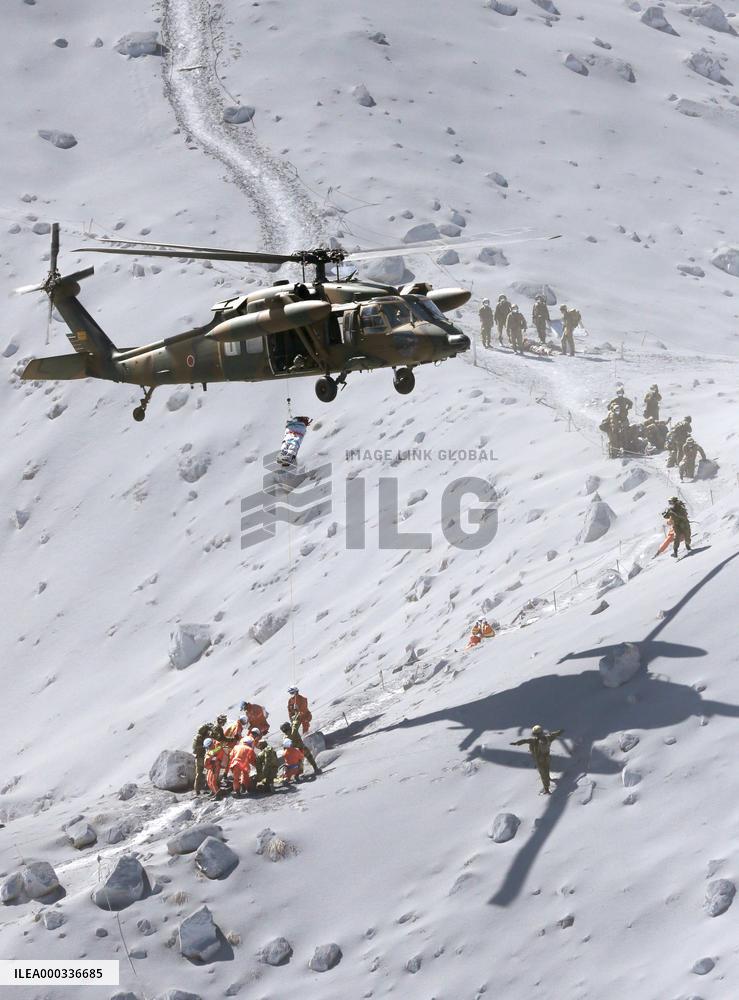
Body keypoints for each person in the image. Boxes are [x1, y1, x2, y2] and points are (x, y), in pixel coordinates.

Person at [510, 725, 564, 794]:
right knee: (544, 772)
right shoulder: (546, 738)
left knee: (544, 772)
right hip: (544, 760)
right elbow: (554, 734)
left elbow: (525, 741)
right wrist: (560, 732)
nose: (537, 735)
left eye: (537, 734)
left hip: (542, 760)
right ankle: (547, 785)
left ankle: (547, 785)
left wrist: (517, 743)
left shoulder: (538, 740)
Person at [192, 722, 213, 795]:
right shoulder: (203, 738)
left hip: (198, 758)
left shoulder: (198, 737)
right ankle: (208, 787)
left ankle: (197, 790)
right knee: (207, 772)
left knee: (199, 774)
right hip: (203, 757)